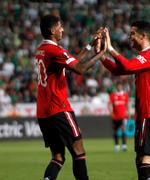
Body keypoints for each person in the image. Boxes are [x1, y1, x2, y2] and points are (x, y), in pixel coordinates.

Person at [35, 14, 105, 180]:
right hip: (58, 108)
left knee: (58, 157)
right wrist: (101, 54)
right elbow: (79, 68)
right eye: (60, 26)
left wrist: (89, 45)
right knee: (79, 151)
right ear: (52, 30)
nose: (63, 29)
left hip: (43, 112)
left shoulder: (41, 49)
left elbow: (73, 61)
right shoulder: (55, 50)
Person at [99, 21, 150, 180]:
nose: (129, 37)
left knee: (143, 159)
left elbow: (128, 67)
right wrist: (102, 56)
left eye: (132, 34)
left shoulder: (149, 56)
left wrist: (110, 48)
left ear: (143, 36)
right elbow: (120, 70)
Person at [108, 81, 129, 152]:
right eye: (118, 86)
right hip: (115, 116)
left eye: (120, 86)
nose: (119, 87)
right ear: (116, 87)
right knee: (115, 131)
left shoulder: (125, 95)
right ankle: (116, 146)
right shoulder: (113, 95)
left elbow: (127, 105)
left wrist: (128, 113)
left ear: (121, 87)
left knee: (123, 129)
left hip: (123, 116)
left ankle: (124, 146)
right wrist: (111, 113)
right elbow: (110, 104)